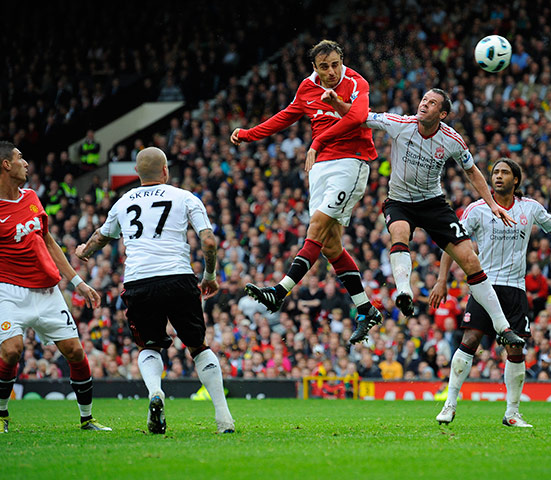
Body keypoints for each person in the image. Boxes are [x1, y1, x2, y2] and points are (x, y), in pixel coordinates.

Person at [327, 88, 524, 349]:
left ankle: (503, 327)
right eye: (423, 100)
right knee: (398, 233)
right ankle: (404, 291)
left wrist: (492, 205)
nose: (424, 105)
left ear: (442, 114)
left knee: (469, 258)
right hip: (399, 201)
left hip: (433, 204)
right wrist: (336, 102)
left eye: (432, 103)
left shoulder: (452, 139)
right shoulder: (400, 124)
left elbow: (472, 171)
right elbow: (359, 117)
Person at [429, 158, 551, 427]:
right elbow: (453, 244)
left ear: (516, 180)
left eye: (504, 172)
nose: (498, 177)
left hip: (516, 289)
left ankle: (512, 413)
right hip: (483, 286)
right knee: (471, 339)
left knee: (516, 348)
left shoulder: (530, 207)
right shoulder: (477, 210)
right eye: (495, 172)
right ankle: (449, 405)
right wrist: (441, 280)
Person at [230, 39, 381, 344]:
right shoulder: (306, 88)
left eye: (335, 64)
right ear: (314, 67)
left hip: (351, 162)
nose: (331, 71)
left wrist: (316, 142)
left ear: (343, 61)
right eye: (324, 66)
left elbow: (357, 118)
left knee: (317, 226)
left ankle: (280, 290)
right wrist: (248, 135)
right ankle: (366, 308)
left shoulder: (356, 82)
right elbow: (284, 116)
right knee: (330, 246)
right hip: (322, 168)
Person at [75, 147, 234, 434]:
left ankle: (155, 394)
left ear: (137, 173)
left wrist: (83, 251)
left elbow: (101, 237)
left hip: (139, 282)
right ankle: (224, 418)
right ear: (165, 171)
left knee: (149, 345)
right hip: (178, 278)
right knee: (198, 347)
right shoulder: (185, 197)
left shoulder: (123, 202)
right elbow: (208, 242)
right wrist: (209, 275)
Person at [0, 141, 110, 433]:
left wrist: (79, 282)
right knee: (12, 350)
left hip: (47, 291)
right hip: (8, 291)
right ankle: (0, 416)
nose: (26, 163)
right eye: (20, 158)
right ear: (5, 165)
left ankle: (87, 419)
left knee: (75, 351)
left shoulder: (32, 197)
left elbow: (48, 242)